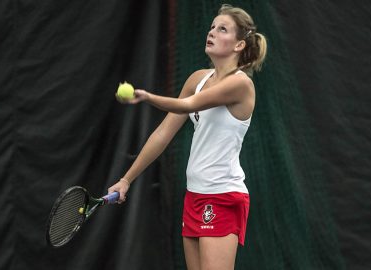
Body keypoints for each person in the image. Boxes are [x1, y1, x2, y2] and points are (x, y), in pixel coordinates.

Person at [108, 4, 267, 270]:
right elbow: (163, 132)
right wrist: (126, 179)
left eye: (222, 29)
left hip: (223, 196)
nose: (212, 32)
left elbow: (186, 106)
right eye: (213, 27)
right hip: (194, 196)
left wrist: (147, 97)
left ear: (239, 45)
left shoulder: (241, 84)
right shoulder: (197, 79)